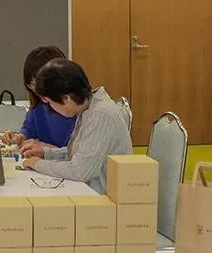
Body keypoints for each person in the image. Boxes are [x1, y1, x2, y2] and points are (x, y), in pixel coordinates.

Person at [20, 58, 132, 194]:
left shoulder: (101, 115)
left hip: (102, 199)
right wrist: (45, 153)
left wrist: (37, 164)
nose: (50, 107)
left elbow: (81, 171)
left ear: (66, 98)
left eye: (50, 102)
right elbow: (79, 154)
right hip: (89, 191)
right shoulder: (88, 108)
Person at [1, 45, 76, 150]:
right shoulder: (38, 106)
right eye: (30, 85)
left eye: (37, 83)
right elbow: (29, 129)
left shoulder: (74, 109)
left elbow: (76, 154)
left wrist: (47, 149)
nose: (35, 89)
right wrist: (18, 138)